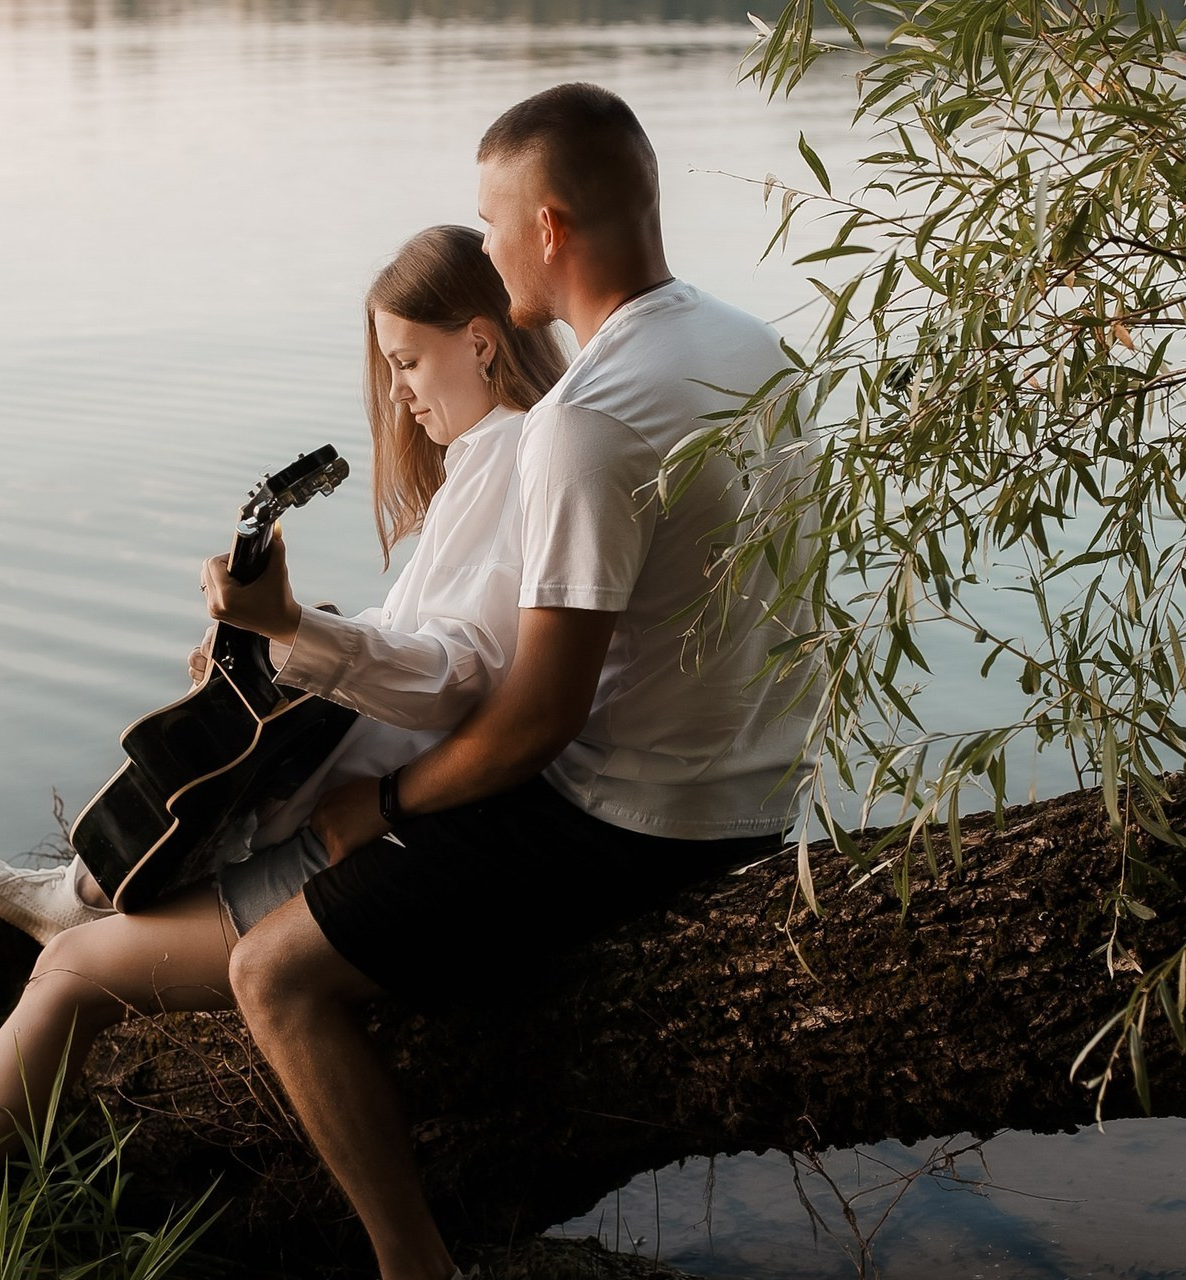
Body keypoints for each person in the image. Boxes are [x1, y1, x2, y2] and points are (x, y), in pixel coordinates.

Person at [212, 83, 823, 1280]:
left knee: (269, 971)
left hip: (635, 817)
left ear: (547, 227)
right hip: (761, 790)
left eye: (492, 225)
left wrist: (385, 804)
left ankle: (413, 1265)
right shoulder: (756, 348)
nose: (487, 254)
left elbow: (539, 721)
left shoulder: (585, 419)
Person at [0, 223, 567, 1265]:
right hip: (383, 807)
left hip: (391, 830)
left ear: (481, 342)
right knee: (186, 800)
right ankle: (89, 887)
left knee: (75, 971)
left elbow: (456, 676)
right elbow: (431, 646)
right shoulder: (497, 461)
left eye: (407, 362)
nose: (398, 392)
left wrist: (294, 629)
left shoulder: (510, 462)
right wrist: (282, 649)